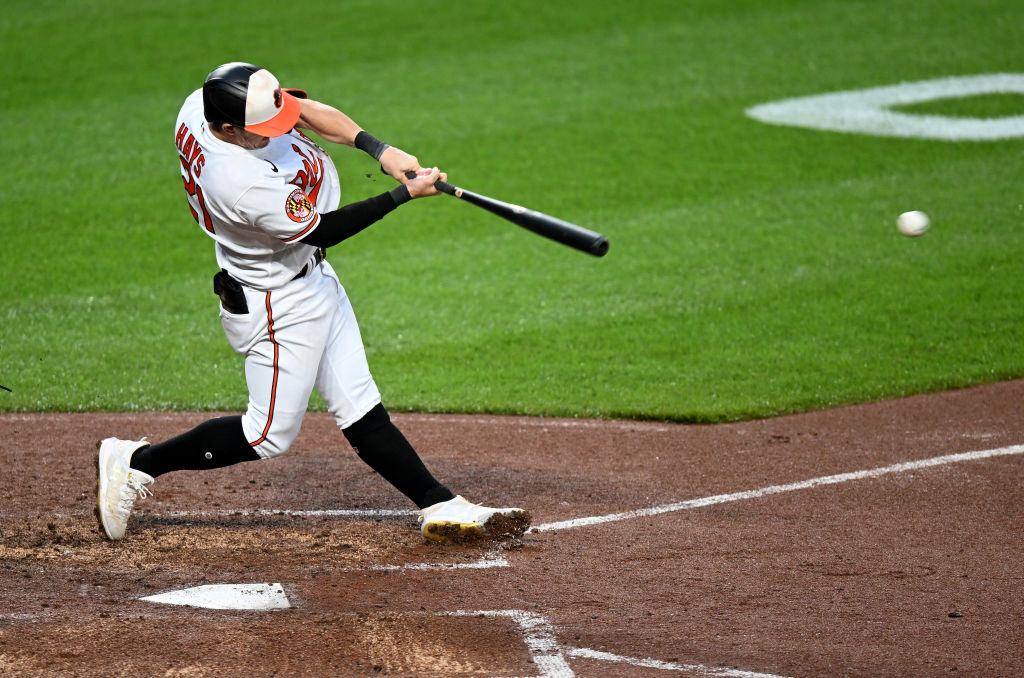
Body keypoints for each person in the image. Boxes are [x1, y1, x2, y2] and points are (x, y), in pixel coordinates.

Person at [96, 62, 530, 544]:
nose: (278, 130)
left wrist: (379, 149)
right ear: (225, 129)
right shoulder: (238, 181)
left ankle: (439, 503)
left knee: (359, 402)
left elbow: (303, 112)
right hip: (277, 303)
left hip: (311, 276)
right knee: (267, 435)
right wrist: (404, 193)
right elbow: (325, 229)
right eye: (262, 131)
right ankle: (136, 462)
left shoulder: (205, 104)